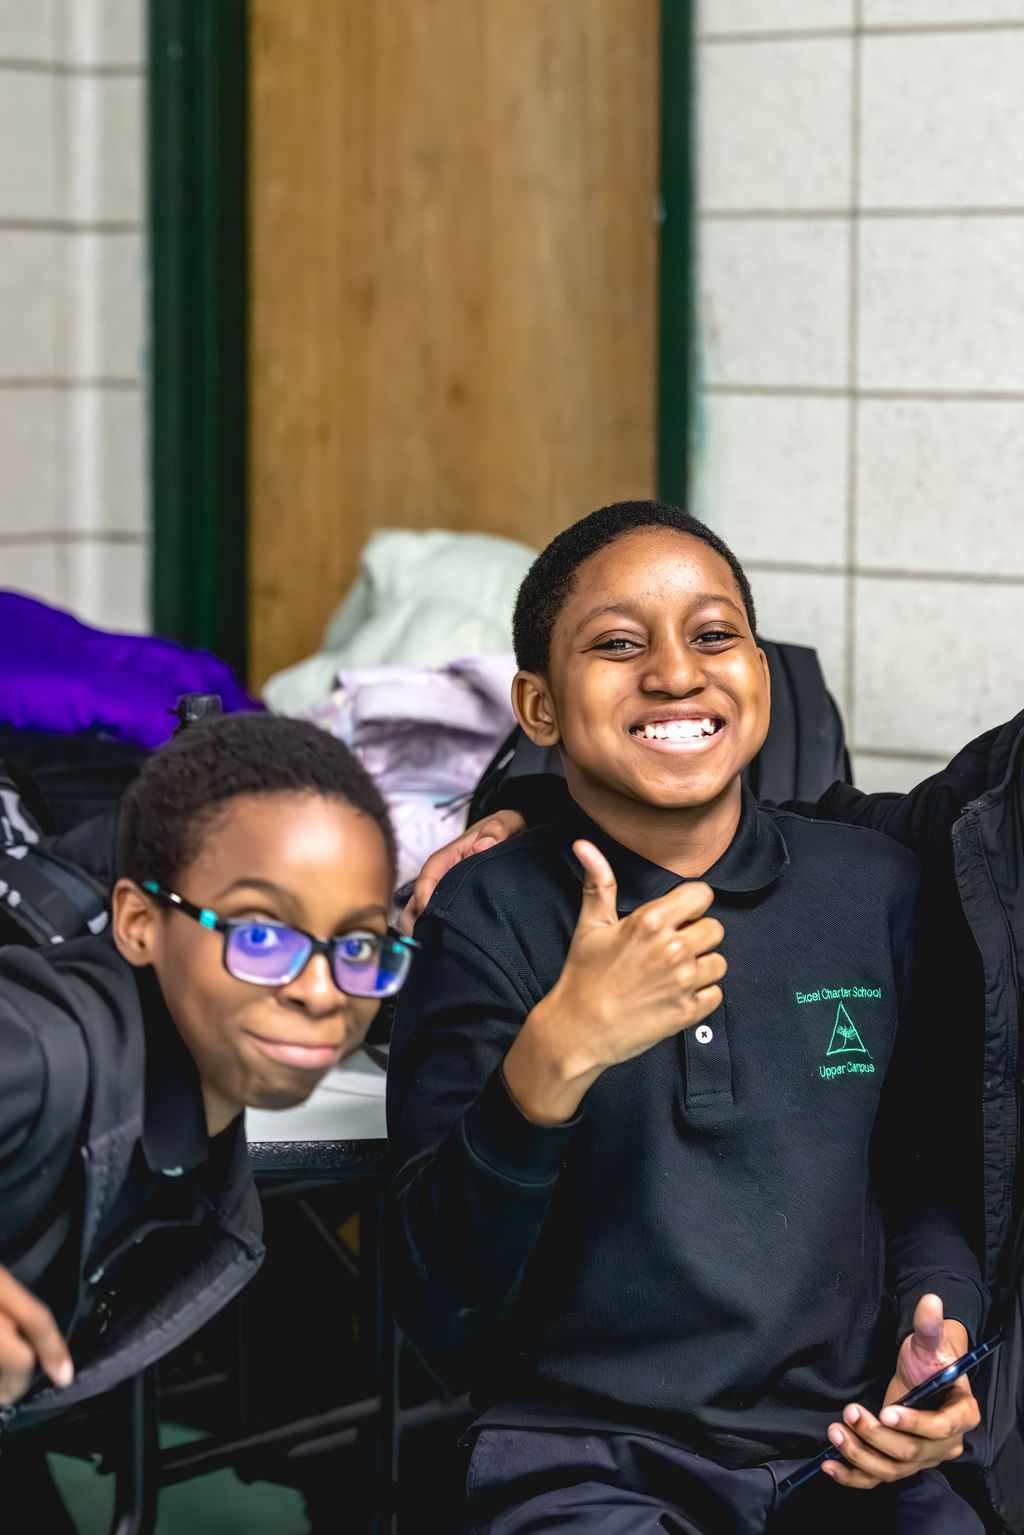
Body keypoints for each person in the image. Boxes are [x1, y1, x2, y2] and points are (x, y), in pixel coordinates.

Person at [384, 501, 988, 1535]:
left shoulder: (875, 887)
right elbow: (440, 1296)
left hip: (844, 1455)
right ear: (537, 704)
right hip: (581, 1460)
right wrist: (553, 1059)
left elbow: (924, 1173)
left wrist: (938, 1340)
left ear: (759, 669)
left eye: (714, 634)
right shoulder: (488, 908)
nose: (674, 671)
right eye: (618, 644)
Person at [0, 712, 414, 1521]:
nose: (320, 989)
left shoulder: (207, 1151)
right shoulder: (42, 1049)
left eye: (358, 945)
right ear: (138, 923)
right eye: (261, 933)